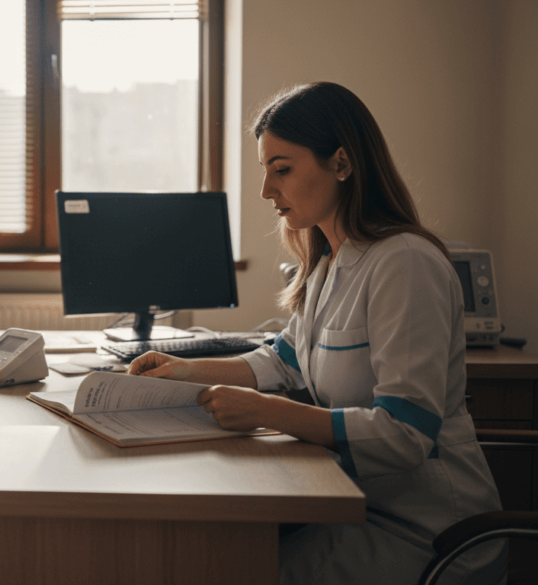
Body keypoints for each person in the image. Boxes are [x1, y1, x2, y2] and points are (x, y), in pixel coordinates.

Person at [127, 82, 505, 584]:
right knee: (219, 555)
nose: (266, 191)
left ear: (342, 164)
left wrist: (268, 412)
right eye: (265, 172)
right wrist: (182, 370)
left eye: (281, 169)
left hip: (425, 533)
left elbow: (406, 434)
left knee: (229, 566)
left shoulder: (405, 264)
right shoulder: (331, 262)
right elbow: (284, 360)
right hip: (355, 506)